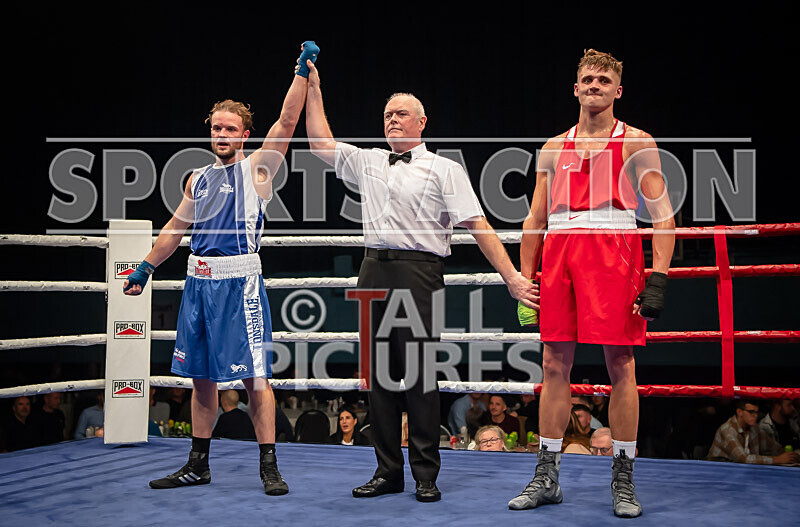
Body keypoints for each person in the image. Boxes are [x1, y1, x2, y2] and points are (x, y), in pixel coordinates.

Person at [303, 58, 538, 504]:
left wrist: (510, 277)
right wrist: (313, 84)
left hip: (419, 272)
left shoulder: (444, 169)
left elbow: (478, 225)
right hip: (374, 269)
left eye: (401, 114)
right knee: (380, 379)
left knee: (419, 378)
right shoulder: (368, 161)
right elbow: (319, 141)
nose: (392, 119)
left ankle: (426, 474)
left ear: (422, 122)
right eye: (387, 114)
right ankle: (388, 471)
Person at [123, 41, 320, 496]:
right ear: (210, 132)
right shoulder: (198, 177)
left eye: (231, 128)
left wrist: (301, 72)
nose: (223, 134)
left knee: (256, 378)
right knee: (201, 378)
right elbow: (175, 228)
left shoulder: (258, 171)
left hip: (241, 285)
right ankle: (198, 463)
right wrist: (145, 268)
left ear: (244, 134)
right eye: (217, 127)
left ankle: (269, 465)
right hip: (198, 284)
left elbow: (288, 122)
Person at [510, 49, 676, 518]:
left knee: (621, 363)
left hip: (614, 249)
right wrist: (526, 281)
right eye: (588, 78)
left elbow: (663, 216)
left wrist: (659, 276)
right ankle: (546, 477)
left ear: (618, 90)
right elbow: (535, 218)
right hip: (561, 252)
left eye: (605, 80)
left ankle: (622, 479)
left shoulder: (636, 142)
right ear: (576, 87)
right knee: (552, 364)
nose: (595, 85)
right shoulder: (552, 146)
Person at [707, 400, 799, 465]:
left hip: (740, 472)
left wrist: (792, 456)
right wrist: (778, 459)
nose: (755, 416)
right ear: (739, 412)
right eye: (751, 412)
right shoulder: (727, 430)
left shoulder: (754, 429)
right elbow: (743, 459)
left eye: (756, 412)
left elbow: (775, 448)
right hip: (719, 471)